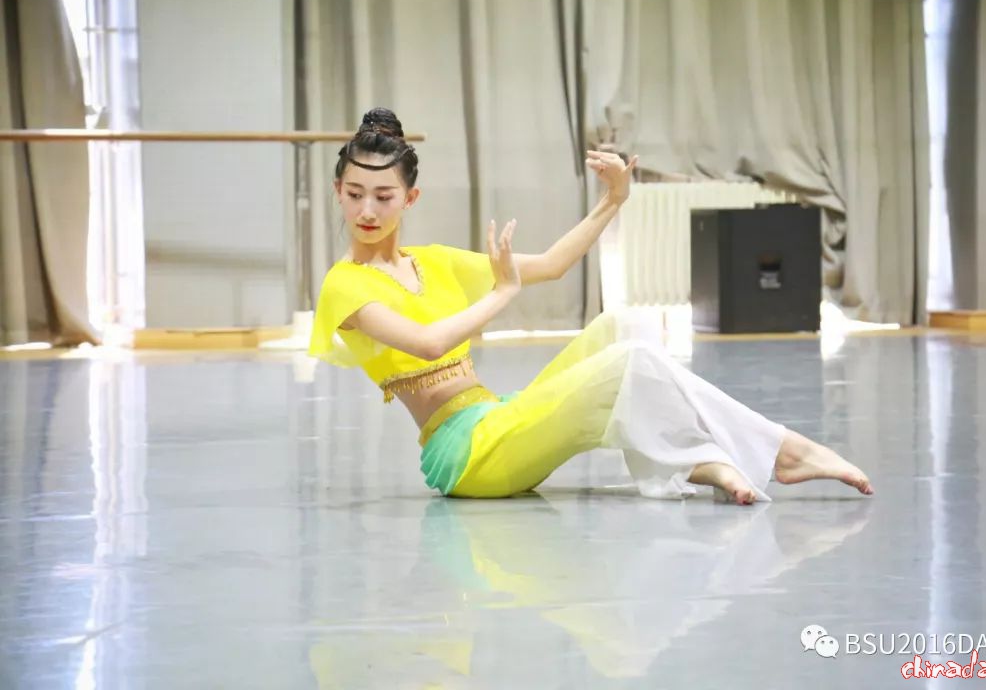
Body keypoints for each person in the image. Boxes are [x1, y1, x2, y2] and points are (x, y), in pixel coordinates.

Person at [309, 107, 874, 504]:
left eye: (383, 196)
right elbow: (430, 344)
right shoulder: (344, 285)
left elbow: (552, 264)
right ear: (338, 192)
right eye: (354, 194)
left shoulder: (433, 261)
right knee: (628, 365)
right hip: (466, 456)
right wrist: (503, 293)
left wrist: (614, 200)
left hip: (498, 416)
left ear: (409, 198)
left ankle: (702, 461)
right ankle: (780, 451)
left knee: (627, 326)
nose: (367, 210)